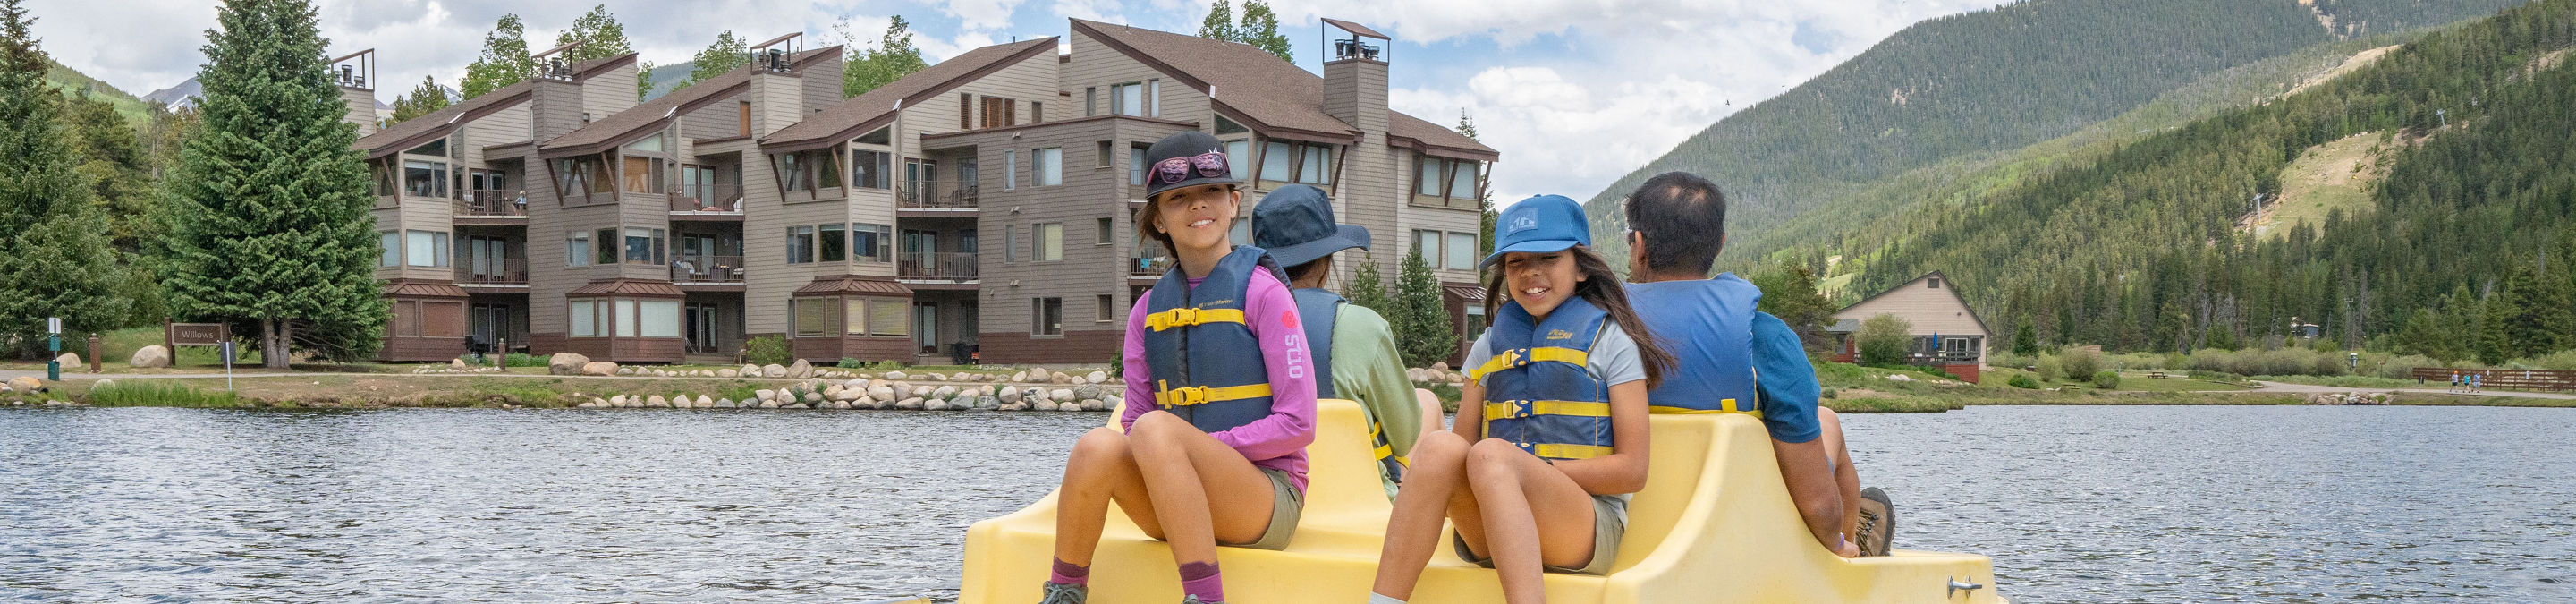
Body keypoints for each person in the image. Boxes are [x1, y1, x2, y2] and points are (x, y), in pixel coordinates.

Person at [1039, 131, 1318, 604]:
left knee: (1154, 431)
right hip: (1173, 497)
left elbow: (1299, 423)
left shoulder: (1265, 294)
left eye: (1210, 192)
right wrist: (1172, 458)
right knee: (1097, 446)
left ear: (1233, 204)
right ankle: (1064, 592)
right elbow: (1135, 420)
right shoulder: (1146, 312)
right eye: (1178, 198)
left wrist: (1196, 450)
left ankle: (1204, 598)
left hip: (1266, 499)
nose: (1197, 206)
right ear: (1159, 220)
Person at [1366, 195, 1675, 604]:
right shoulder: (1491, 346)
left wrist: (1530, 470)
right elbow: (1460, 451)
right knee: (1441, 446)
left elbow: (1633, 471)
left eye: (1547, 258)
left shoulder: (1611, 342)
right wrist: (1503, 473)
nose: (1531, 272)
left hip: (1583, 524)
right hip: (1490, 525)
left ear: (1580, 267)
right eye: (1516, 262)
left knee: (1492, 456)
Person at [1617, 171, 1892, 557]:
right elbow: (1816, 504)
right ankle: (1847, 552)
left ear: (1639, 245)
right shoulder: (1766, 339)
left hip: (1620, 526)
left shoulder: (1598, 328)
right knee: (1826, 420)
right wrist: (1830, 534)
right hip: (1739, 521)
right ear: (1720, 244)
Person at [1247, 183, 1446, 500]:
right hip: (1363, 500)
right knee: (1429, 401)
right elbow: (1405, 437)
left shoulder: (1235, 323)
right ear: (1326, 263)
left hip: (1269, 503)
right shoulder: (1362, 325)